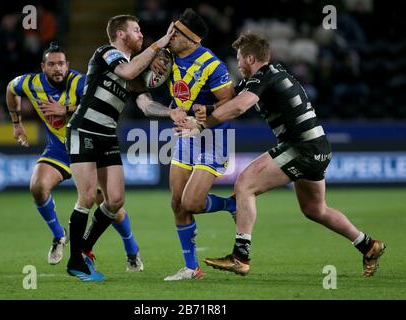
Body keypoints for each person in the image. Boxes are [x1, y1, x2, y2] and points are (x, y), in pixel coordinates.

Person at [177, 32, 386, 277]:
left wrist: (201, 124)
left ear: (251, 58)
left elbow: (239, 106)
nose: (238, 64)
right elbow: (231, 99)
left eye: (240, 59)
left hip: (302, 147)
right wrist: (204, 110)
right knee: (315, 209)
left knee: (245, 184)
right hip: (317, 146)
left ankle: (240, 257)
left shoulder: (264, 76)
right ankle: (368, 245)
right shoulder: (268, 75)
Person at [5, 43, 144, 270]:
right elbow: (11, 89)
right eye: (52, 64)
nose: (57, 69)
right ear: (43, 67)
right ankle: (59, 236)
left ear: (67, 65)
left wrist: (66, 109)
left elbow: (97, 102)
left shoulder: (80, 82)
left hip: (87, 146)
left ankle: (132, 249)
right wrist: (16, 123)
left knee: (110, 205)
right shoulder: (31, 83)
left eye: (61, 64)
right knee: (38, 187)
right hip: (60, 149)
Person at [65, 15, 182, 282]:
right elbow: (127, 73)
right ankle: (75, 261)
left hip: (107, 134)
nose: (141, 34)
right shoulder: (106, 52)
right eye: (136, 30)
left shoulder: (134, 68)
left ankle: (84, 246)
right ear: (120, 34)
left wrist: (170, 113)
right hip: (84, 129)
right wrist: (161, 42)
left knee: (115, 200)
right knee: (86, 196)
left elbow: (145, 104)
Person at [161, 8, 237, 281]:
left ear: (192, 39)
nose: (171, 35)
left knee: (191, 202)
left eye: (177, 32)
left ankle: (232, 205)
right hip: (185, 135)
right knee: (177, 203)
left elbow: (231, 101)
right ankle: (192, 269)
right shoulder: (167, 56)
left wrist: (208, 109)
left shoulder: (212, 65)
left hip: (214, 137)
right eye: (171, 29)